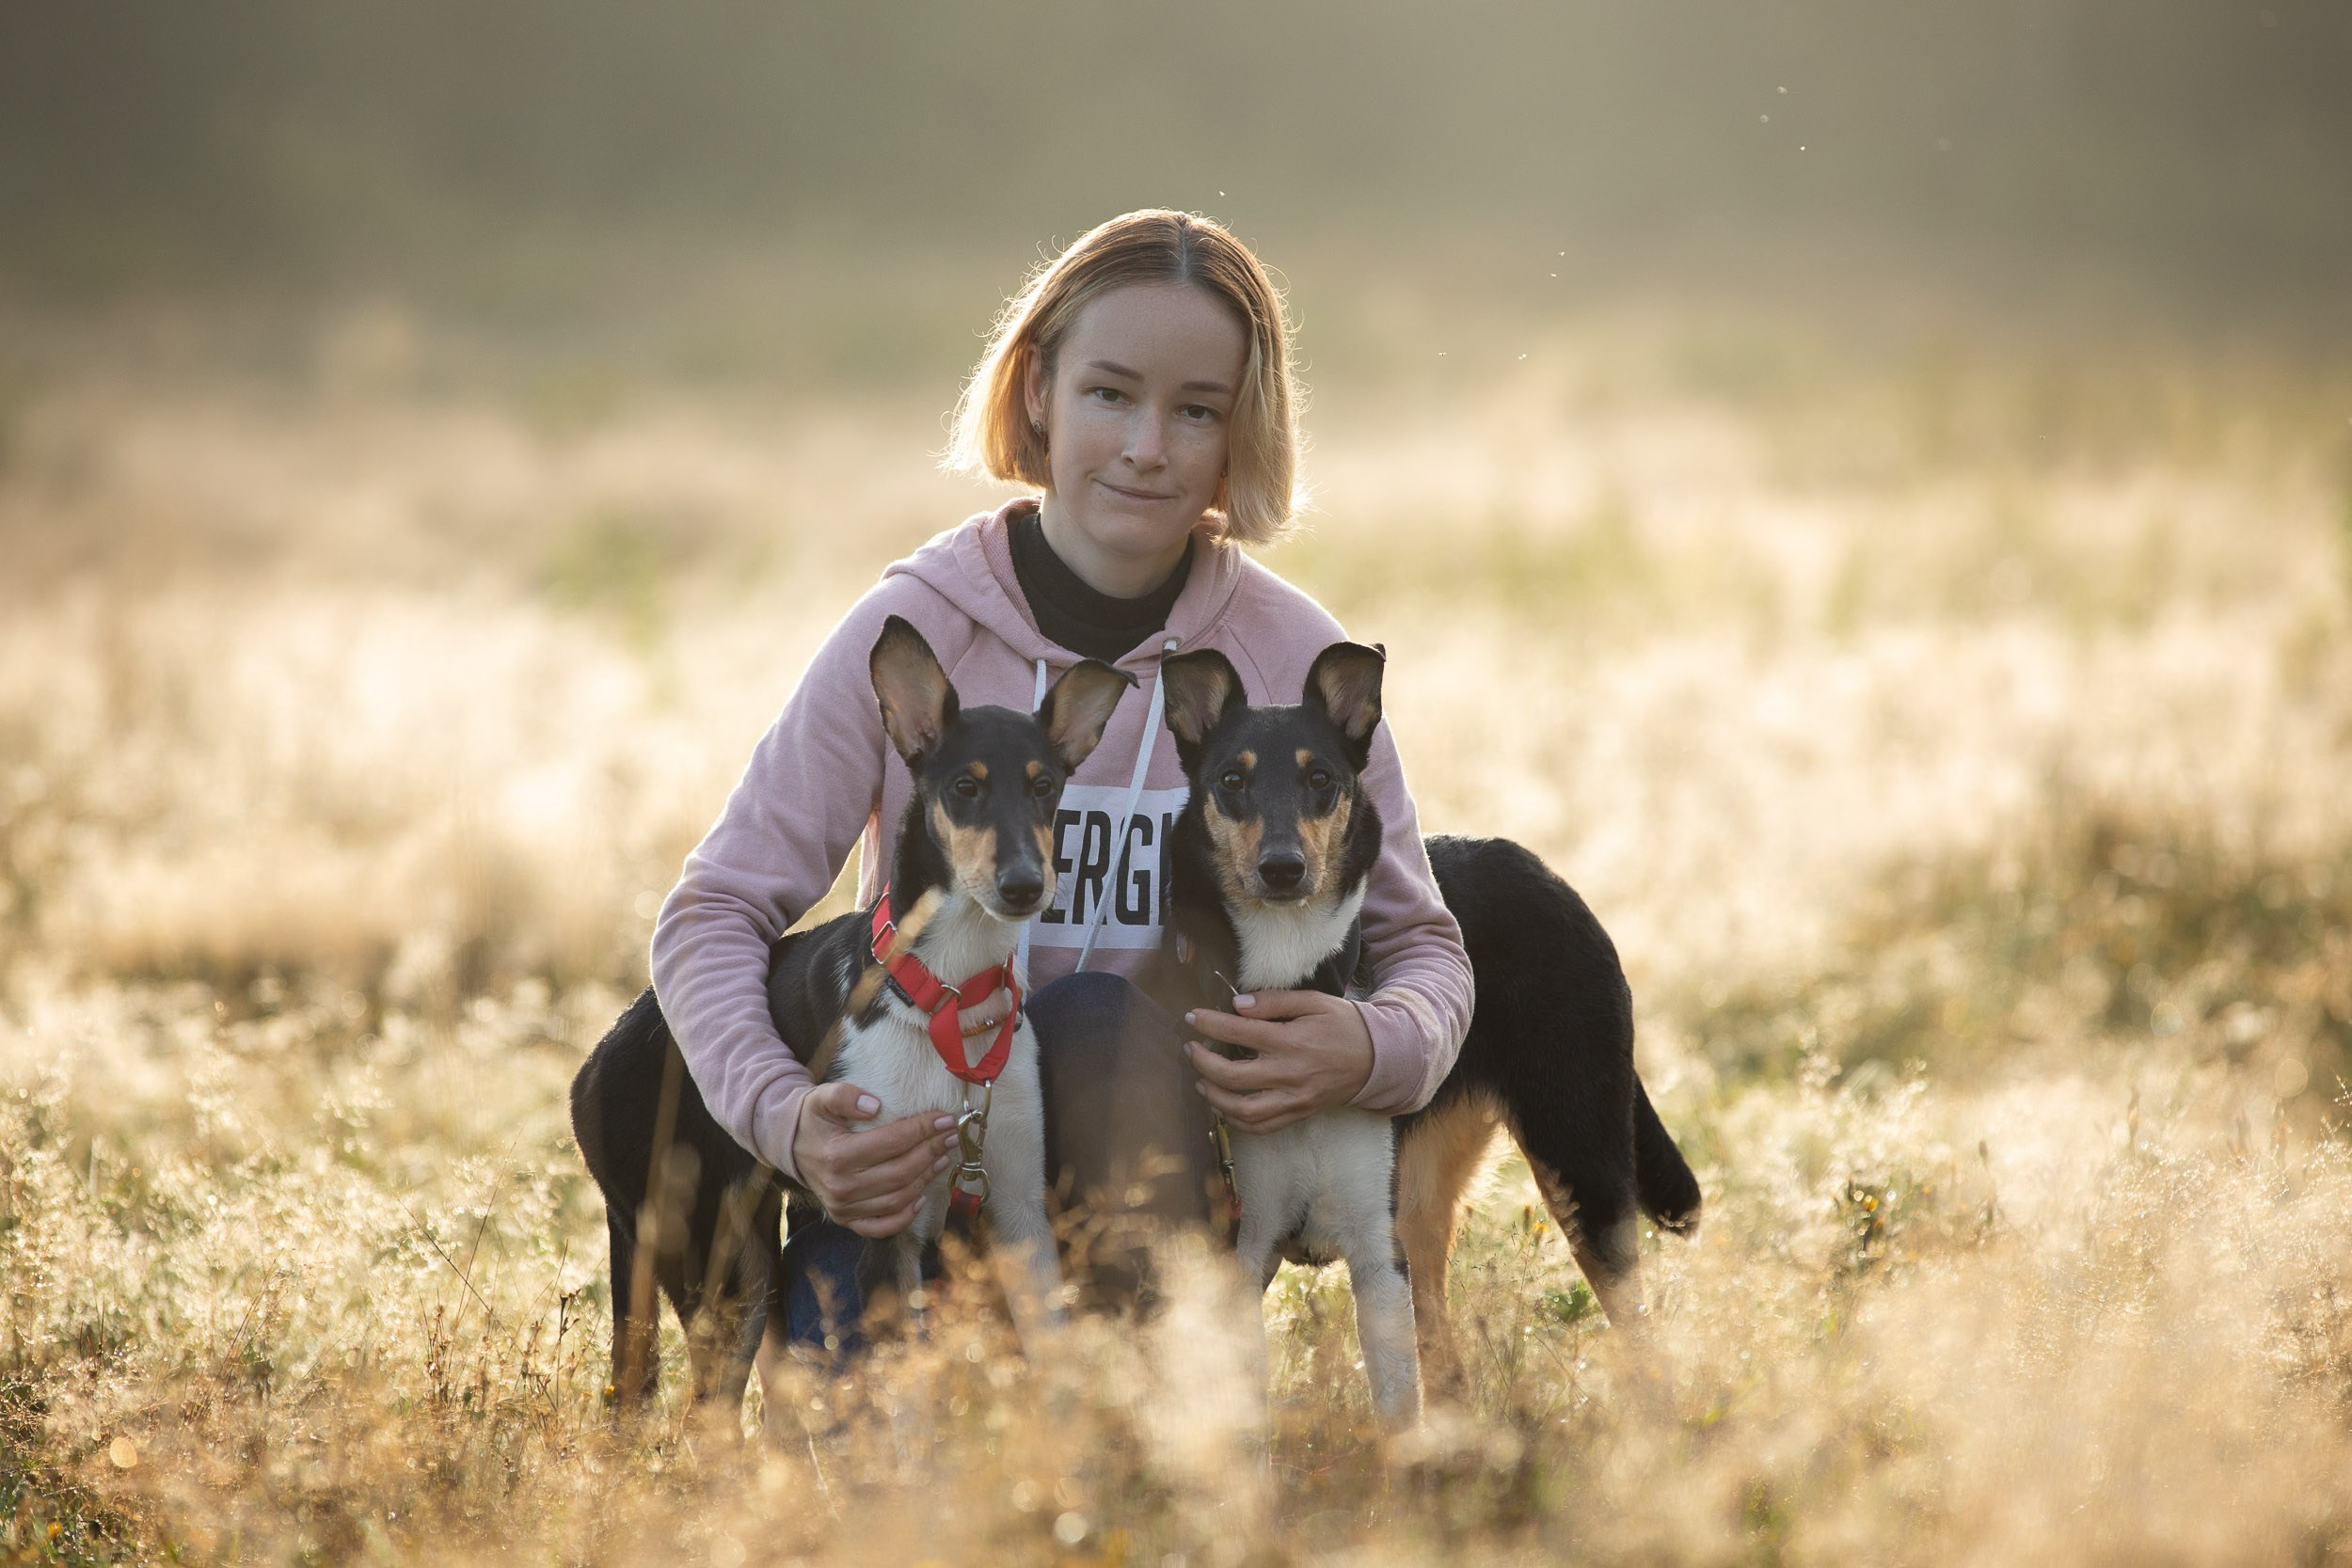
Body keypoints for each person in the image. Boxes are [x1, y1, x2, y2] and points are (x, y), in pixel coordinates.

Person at [650, 208, 1473, 1347]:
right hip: (910, 1159)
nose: (1147, 443)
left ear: (1242, 434)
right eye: (1109, 393)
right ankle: (809, 1357)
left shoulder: (1285, 660)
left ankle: (1132, 1386)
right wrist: (790, 1120)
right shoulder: (915, 631)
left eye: (1196, 411)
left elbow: (1426, 949)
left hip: (1139, 1181)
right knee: (860, 1493)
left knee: (1090, 1016)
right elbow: (715, 910)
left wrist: (1374, 1046)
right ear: (1035, 388)